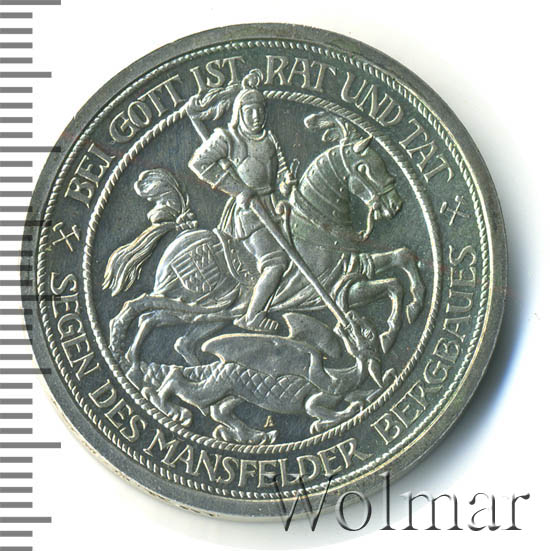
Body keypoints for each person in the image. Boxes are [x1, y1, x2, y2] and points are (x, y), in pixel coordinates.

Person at [188, 70, 295, 332]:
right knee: (275, 263)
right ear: (240, 113)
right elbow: (198, 163)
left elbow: (279, 172)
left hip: (274, 207)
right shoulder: (228, 139)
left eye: (259, 111)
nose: (256, 116)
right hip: (248, 213)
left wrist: (286, 183)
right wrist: (237, 189)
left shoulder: (269, 139)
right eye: (250, 111)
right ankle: (253, 316)